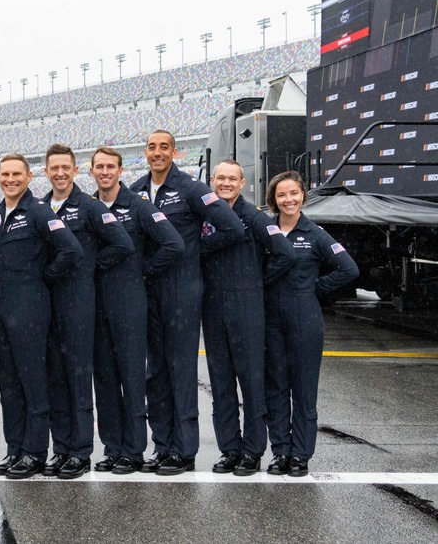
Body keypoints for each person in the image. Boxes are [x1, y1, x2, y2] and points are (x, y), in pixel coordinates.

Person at [129, 130, 245, 475]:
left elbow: (232, 228)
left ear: (174, 152)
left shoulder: (192, 188)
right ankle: (163, 446)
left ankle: (185, 450)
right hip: (149, 290)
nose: (158, 153)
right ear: (146, 153)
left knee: (180, 371)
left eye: (164, 147)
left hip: (181, 290)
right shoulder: (136, 191)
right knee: (156, 372)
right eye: (151, 147)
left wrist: (193, 252)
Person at [0, 154, 82, 480]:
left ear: (29, 177)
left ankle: (35, 452)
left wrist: (44, 276)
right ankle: (15, 448)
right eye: (5, 174)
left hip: (29, 309)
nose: (10, 179)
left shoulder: (39, 211)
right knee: (8, 385)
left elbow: (71, 250)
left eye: (17, 174)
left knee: (33, 383)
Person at [40, 145, 133, 479]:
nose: (60, 173)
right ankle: (61, 448)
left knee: (79, 378)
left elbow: (122, 244)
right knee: (55, 379)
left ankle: (80, 451)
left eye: (66, 167)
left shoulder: (90, 207)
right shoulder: (41, 207)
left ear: (75, 170)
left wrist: (90, 266)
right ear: (46, 171)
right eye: (54, 168)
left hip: (79, 303)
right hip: (47, 304)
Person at [89, 147, 184, 474]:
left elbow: (173, 244)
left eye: (110, 167)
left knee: (131, 377)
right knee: (103, 378)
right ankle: (112, 447)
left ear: (120, 171)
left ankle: (133, 450)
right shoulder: (88, 207)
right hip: (95, 302)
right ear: (92, 172)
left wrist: (144, 270)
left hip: (129, 301)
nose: (105, 172)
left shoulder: (138, 206)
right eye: (99, 167)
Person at [201, 160, 296, 476]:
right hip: (213, 310)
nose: (225, 183)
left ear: (242, 183)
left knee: (252, 384)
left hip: (246, 310)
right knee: (221, 383)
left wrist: (257, 282)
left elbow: (285, 253)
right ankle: (229, 449)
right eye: (220, 178)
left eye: (232, 178)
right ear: (212, 180)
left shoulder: (254, 217)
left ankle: (252, 451)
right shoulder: (207, 216)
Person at [264, 171, 358, 477]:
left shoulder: (315, 233)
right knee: (276, 388)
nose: (288, 199)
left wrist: (315, 289)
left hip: (305, 318)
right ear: (273, 200)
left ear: (303, 196)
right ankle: (280, 451)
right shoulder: (266, 231)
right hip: (270, 320)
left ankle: (301, 455)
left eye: (293, 193)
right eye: (281, 195)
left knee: (304, 390)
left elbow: (348, 269)